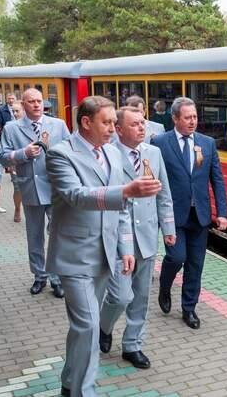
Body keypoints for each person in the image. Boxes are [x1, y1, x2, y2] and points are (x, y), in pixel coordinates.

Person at [45, 96, 163, 397]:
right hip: (75, 258)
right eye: (107, 122)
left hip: (106, 257)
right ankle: (83, 392)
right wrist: (126, 189)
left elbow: (121, 210)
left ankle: (69, 381)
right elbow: (76, 195)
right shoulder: (61, 154)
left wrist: (125, 248)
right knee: (88, 326)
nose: (113, 129)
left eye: (113, 122)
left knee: (84, 328)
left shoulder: (111, 153)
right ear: (86, 122)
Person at [99, 106, 175, 369]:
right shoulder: (108, 155)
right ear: (118, 129)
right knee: (120, 296)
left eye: (143, 123)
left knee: (141, 297)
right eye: (135, 124)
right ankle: (104, 327)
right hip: (118, 239)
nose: (142, 128)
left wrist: (168, 229)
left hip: (146, 237)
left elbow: (162, 194)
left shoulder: (153, 153)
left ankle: (132, 345)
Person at [151, 97, 227, 329]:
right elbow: (152, 177)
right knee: (177, 257)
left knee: (195, 264)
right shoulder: (160, 142)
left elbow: (217, 179)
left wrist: (222, 212)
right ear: (175, 118)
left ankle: (189, 309)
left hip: (200, 215)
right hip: (172, 214)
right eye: (187, 117)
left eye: (194, 117)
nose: (192, 121)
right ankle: (165, 287)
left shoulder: (207, 143)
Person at [0, 89, 70, 297]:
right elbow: (3, 157)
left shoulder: (58, 125)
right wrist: (23, 153)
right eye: (31, 102)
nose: (37, 105)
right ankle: (39, 276)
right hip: (31, 187)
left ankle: (57, 278)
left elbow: (71, 151)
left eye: (39, 101)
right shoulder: (11, 128)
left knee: (57, 235)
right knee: (35, 236)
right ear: (23, 104)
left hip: (56, 189)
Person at [7, 101, 24, 223]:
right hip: (16, 162)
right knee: (18, 188)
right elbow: (6, 148)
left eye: (17, 111)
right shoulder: (9, 126)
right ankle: (17, 208)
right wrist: (10, 163)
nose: (15, 113)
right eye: (13, 111)